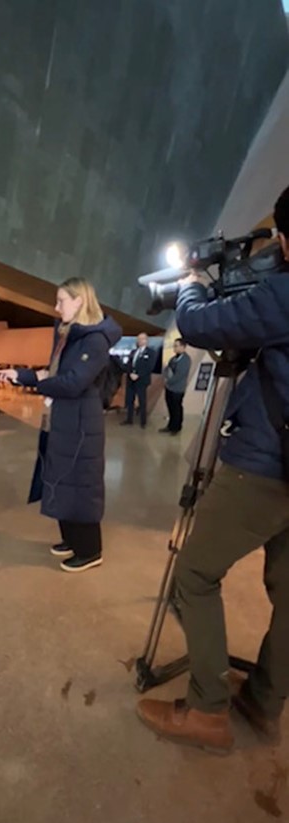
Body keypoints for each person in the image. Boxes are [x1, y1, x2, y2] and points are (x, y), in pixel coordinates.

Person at [137, 185, 289, 753]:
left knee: (194, 577)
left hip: (264, 468)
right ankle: (266, 700)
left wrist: (195, 290)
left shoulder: (282, 296)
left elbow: (201, 326)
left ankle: (207, 710)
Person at [0, 278, 122, 573]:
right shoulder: (70, 335)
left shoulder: (94, 340)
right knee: (64, 481)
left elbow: (73, 382)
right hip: (64, 420)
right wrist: (24, 374)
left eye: (61, 301)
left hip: (80, 425)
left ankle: (90, 550)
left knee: (81, 486)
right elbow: (55, 373)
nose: (56, 307)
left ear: (79, 301)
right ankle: (72, 539)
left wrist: (29, 380)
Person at [121, 333, 156, 428]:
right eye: (138, 339)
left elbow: (149, 366)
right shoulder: (133, 352)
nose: (140, 341)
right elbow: (128, 364)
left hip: (142, 380)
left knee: (142, 401)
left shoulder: (151, 352)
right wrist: (130, 373)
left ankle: (143, 422)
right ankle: (129, 419)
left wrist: (138, 375)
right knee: (130, 400)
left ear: (146, 340)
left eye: (142, 339)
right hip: (131, 379)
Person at [159, 338, 191, 435]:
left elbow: (179, 375)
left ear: (183, 347)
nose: (174, 348)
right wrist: (165, 378)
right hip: (169, 388)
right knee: (171, 407)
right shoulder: (173, 359)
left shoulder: (186, 360)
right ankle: (170, 426)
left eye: (176, 346)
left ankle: (176, 427)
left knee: (176, 408)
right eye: (174, 345)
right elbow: (167, 369)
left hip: (178, 389)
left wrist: (168, 381)